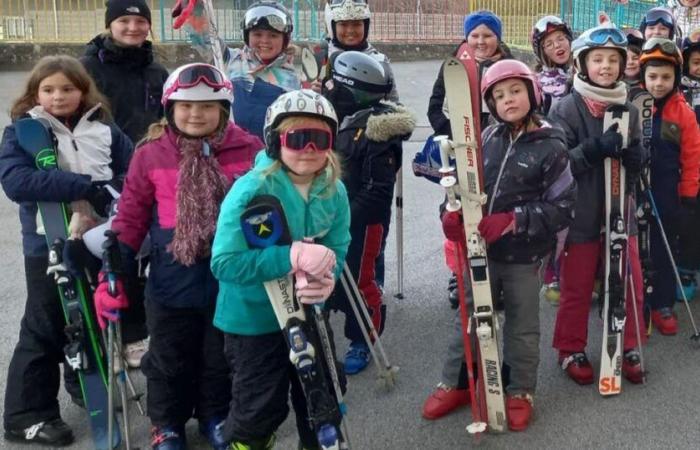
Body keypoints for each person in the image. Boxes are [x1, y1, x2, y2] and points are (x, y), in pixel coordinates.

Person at [96, 63, 261, 449]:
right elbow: (132, 216)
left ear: (224, 108)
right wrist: (112, 269)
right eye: (186, 106)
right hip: (171, 277)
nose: (196, 114)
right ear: (170, 108)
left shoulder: (250, 149)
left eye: (207, 106)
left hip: (228, 276)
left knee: (218, 355)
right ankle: (166, 424)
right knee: (169, 356)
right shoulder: (151, 154)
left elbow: (265, 207)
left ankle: (214, 415)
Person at [423, 59, 576, 431]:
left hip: (523, 255)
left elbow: (563, 207)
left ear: (533, 93)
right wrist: (452, 214)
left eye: (516, 91)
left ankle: (519, 389)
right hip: (481, 252)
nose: (509, 100)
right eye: (499, 95)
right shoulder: (485, 139)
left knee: (522, 326)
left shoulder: (551, 146)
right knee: (472, 317)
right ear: (490, 104)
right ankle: (458, 381)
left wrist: (513, 220)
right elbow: (461, 185)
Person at [0, 55, 133, 446]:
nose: (59, 97)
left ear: (83, 90)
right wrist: (81, 185)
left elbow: (130, 170)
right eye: (49, 89)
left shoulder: (105, 129)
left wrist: (111, 194)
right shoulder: (24, 132)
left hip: (96, 237)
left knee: (90, 315)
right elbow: (17, 181)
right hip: (47, 241)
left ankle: (84, 382)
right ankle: (27, 414)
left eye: (68, 88)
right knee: (44, 324)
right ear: (35, 93)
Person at [210, 89, 351, 450]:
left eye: (320, 139)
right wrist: (290, 256)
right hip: (252, 319)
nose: (309, 148)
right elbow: (224, 263)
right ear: (275, 142)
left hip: (307, 313)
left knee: (324, 397)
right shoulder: (251, 189)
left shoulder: (333, 190)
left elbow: (338, 244)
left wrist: (327, 279)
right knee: (259, 405)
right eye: (297, 138)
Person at [548, 24, 647, 386]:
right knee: (576, 283)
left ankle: (629, 343)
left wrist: (636, 156)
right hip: (582, 213)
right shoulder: (567, 108)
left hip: (620, 210)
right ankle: (570, 347)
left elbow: (636, 163)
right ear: (582, 63)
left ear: (622, 65)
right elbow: (559, 164)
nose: (605, 66)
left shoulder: (629, 109)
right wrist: (594, 149)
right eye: (597, 59)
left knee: (630, 279)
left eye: (612, 60)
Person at [81, 0, 168, 368]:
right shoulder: (87, 68)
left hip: (151, 170)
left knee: (144, 253)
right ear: (109, 25)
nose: (133, 28)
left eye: (139, 21)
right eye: (124, 21)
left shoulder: (157, 71)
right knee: (111, 253)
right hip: (107, 174)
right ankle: (107, 338)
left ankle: (136, 332)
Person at [323, 51, 415, 374]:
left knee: (362, 280)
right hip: (334, 216)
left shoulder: (377, 133)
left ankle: (363, 337)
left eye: (333, 83)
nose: (328, 87)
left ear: (351, 90)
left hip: (363, 223)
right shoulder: (340, 119)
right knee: (325, 274)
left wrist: (340, 218)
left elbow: (377, 194)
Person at [427, 9, 511, 307]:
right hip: (462, 150)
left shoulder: (508, 65)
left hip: (499, 150)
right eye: (474, 35)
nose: (480, 41)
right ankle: (458, 273)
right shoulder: (454, 66)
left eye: (487, 35)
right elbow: (435, 107)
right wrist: (456, 137)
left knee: (495, 209)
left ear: (498, 38)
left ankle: (496, 275)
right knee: (456, 212)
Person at [638, 38, 700, 334]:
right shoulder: (634, 104)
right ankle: (635, 299)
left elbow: (692, 156)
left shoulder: (682, 112)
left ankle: (663, 302)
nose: (658, 84)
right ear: (643, 76)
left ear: (676, 77)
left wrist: (688, 195)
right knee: (636, 246)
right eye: (652, 77)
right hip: (635, 187)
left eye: (666, 77)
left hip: (666, 189)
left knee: (664, 247)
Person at [224, 0, 300, 141]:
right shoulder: (230, 59)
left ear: (285, 39)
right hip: (232, 149)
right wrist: (198, 18)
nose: (265, 41)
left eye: (273, 35)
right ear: (247, 36)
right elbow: (206, 42)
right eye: (258, 34)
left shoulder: (291, 77)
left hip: (268, 154)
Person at [322, 0, 399, 102]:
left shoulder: (380, 62)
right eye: (343, 24)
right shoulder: (321, 58)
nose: (350, 30)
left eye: (357, 24)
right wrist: (315, 93)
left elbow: (394, 105)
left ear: (365, 25)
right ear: (332, 26)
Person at [531, 15, 574, 114]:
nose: (557, 45)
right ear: (542, 52)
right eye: (549, 44)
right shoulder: (538, 84)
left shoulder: (583, 73)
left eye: (561, 39)